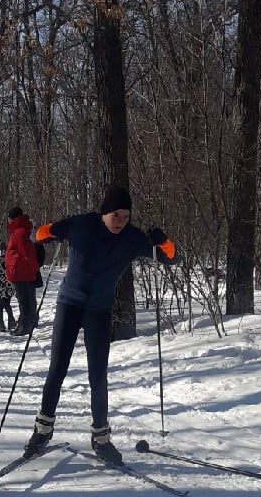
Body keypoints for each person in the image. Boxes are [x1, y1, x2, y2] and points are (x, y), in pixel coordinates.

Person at [24, 185, 176, 464]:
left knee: (98, 376)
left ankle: (101, 438)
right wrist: (51, 228)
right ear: (105, 212)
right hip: (69, 305)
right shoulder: (81, 224)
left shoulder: (132, 237)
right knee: (57, 368)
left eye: (126, 216)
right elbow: (37, 235)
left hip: (99, 311)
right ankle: (42, 429)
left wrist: (162, 240)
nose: (121, 221)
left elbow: (170, 257)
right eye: (116, 215)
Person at [5, 207, 40, 334]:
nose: (8, 221)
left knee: (24, 301)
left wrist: (34, 269)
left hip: (21, 272)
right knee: (26, 300)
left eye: (9, 218)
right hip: (21, 271)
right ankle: (25, 325)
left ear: (13, 218)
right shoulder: (19, 230)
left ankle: (24, 327)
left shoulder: (19, 232)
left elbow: (27, 253)